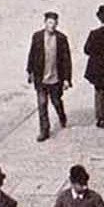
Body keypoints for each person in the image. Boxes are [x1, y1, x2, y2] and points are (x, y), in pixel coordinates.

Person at [26, 11, 73, 141]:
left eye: (54, 23)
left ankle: (61, 115)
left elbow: (66, 60)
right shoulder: (37, 37)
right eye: (50, 22)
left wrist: (67, 79)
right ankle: (44, 131)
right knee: (42, 104)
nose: (52, 25)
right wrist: (30, 71)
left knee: (56, 101)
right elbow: (32, 54)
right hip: (41, 78)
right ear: (45, 23)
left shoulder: (62, 38)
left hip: (55, 78)